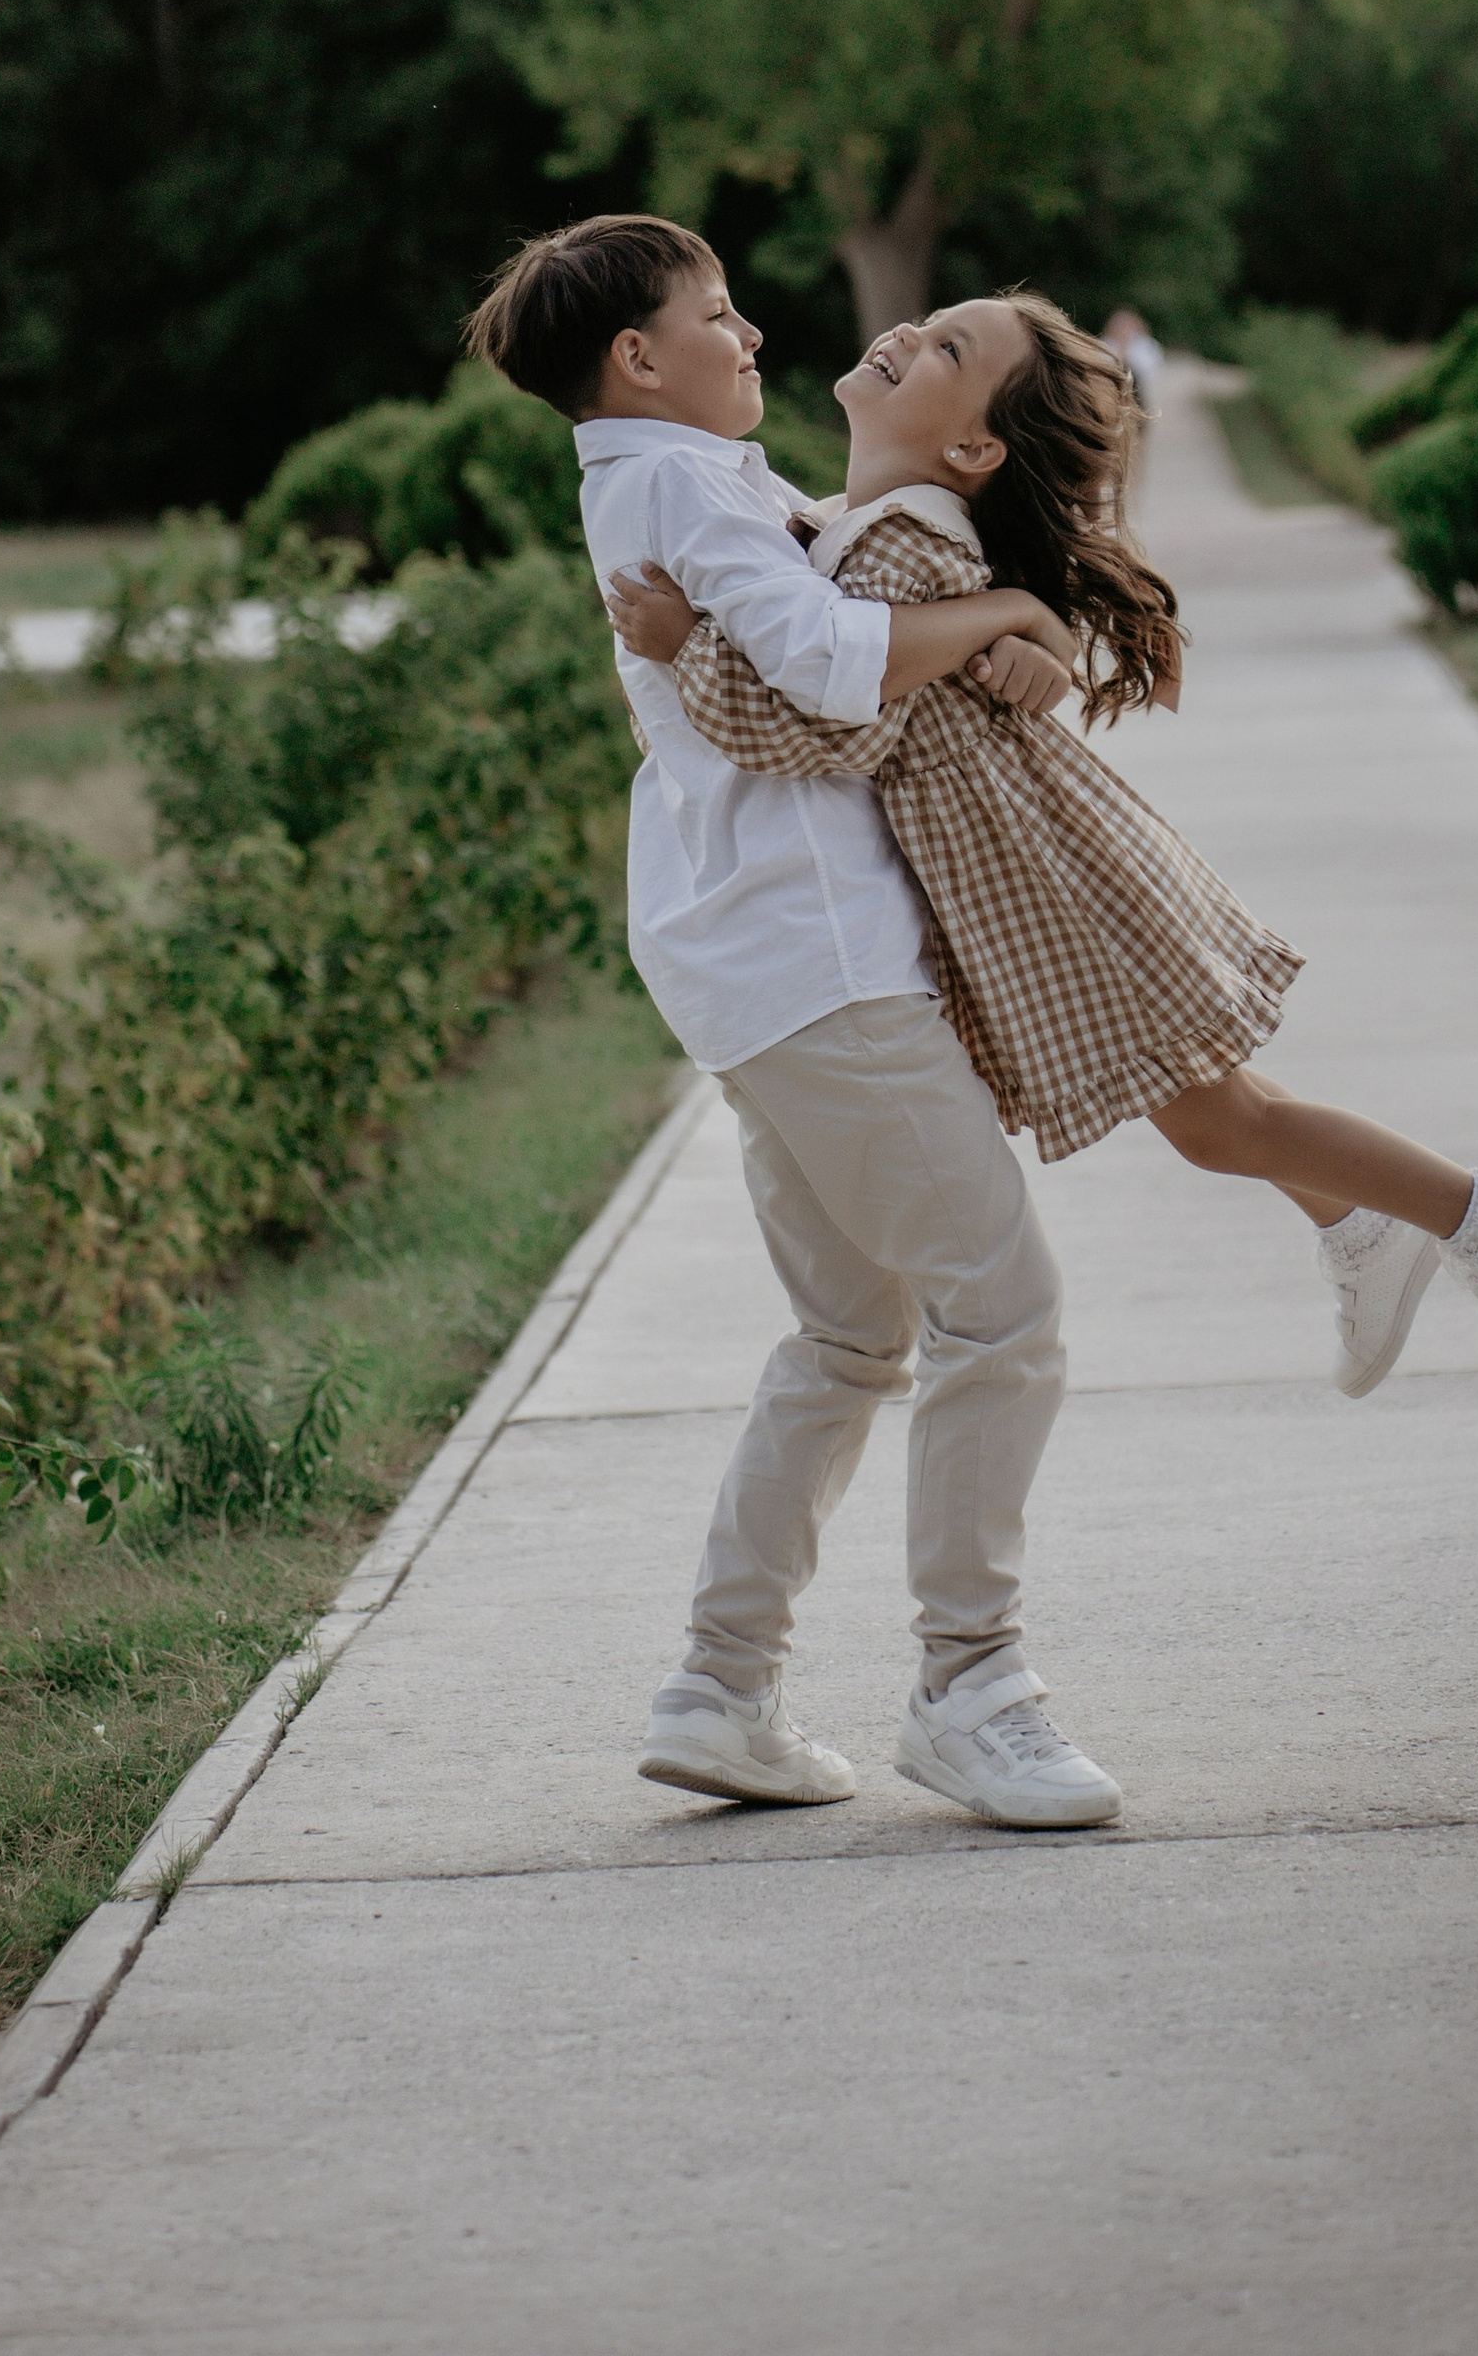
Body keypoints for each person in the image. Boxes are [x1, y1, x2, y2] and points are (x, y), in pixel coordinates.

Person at [606, 288, 1478, 1404]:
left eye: (942, 348)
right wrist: (1030, 617)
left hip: (1038, 880)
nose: (901, 337)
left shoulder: (891, 549)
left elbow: (826, 722)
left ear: (974, 441)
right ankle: (1371, 1223)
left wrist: (686, 651)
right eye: (923, 326)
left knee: (1219, 1119)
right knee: (1218, 1114)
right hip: (1027, 864)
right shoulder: (856, 526)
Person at [465, 216, 1129, 1831]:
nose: (752, 333)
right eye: (718, 314)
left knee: (852, 1339)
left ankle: (721, 1687)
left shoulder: (681, 483)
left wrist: (1019, 629)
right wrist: (997, 622)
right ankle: (973, 1684)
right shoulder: (685, 484)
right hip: (818, 970)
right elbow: (834, 666)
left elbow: (824, 576)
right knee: (1005, 1312)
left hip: (753, 970)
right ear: (641, 358)